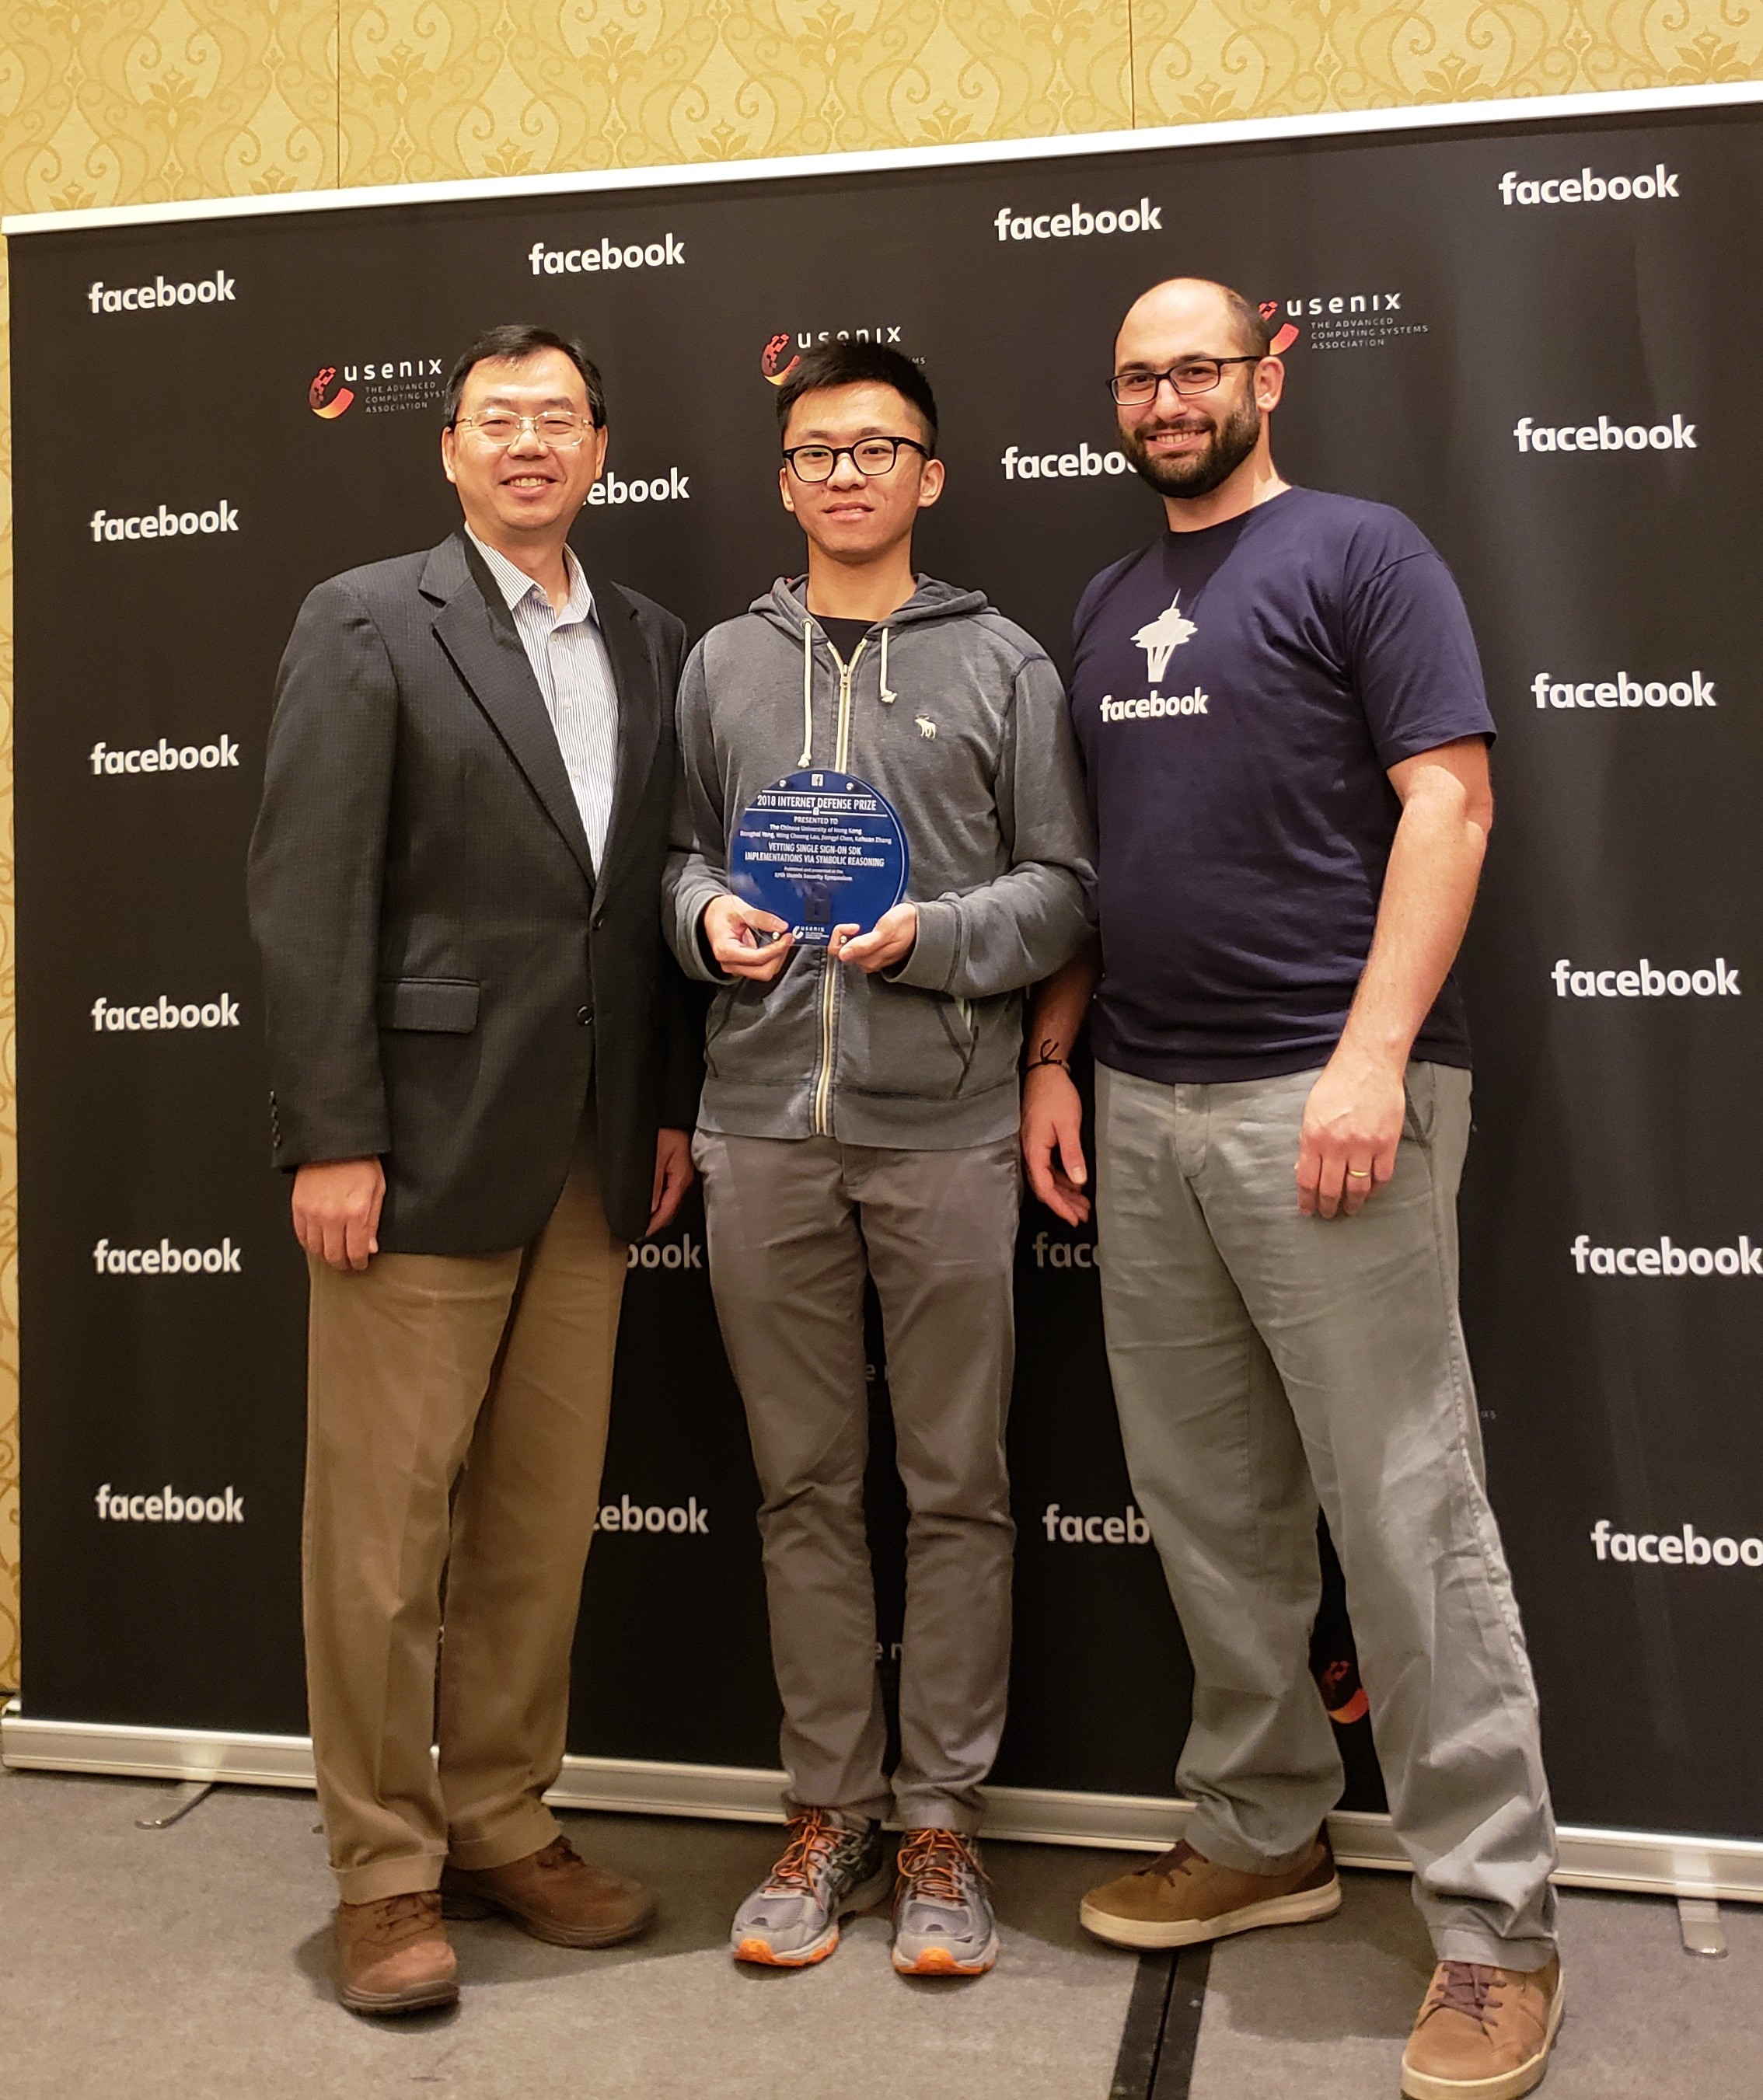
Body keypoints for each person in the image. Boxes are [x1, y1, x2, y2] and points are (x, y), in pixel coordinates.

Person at [1021, 279, 1563, 2100]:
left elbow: (1451, 803)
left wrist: (1371, 1054)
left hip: (1327, 1097)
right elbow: (1100, 870)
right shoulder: (1104, 601)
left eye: (1194, 366)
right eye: (1137, 375)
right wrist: (1052, 1060)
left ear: (1270, 370)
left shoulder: (1364, 552)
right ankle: (1264, 1826)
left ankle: (1494, 1925)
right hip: (1144, 1099)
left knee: (1406, 1506)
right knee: (1208, 1498)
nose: (1166, 396)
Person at [248, 323, 700, 2017]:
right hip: (415, 1156)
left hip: (589, 1158)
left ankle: (503, 1819)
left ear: (602, 450)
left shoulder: (646, 639)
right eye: (496, 421)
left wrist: (657, 1108)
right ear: (449, 449)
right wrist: (335, 1133)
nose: (529, 445)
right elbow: (308, 897)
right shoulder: (367, 620)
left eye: (559, 421)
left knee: (531, 1529)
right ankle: (381, 1871)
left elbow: (628, 909)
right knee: (380, 1540)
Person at [664, 340, 1093, 1978]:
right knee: (799, 1487)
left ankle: (940, 1828)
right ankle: (831, 1806)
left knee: (959, 1489)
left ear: (933, 473)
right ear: (784, 481)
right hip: (761, 1130)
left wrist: (938, 940)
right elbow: (676, 861)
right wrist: (707, 918)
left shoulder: (1004, 665)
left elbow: (1063, 886)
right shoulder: (722, 664)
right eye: (817, 451)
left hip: (951, 1132)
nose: (847, 474)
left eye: (879, 447)